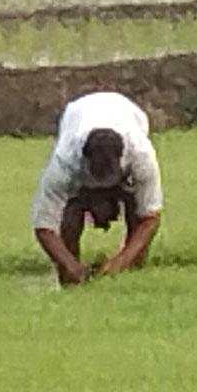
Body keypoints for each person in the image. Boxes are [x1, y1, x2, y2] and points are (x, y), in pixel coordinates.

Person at [30, 91, 165, 287]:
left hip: (127, 112)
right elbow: (44, 227)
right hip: (76, 115)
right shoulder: (64, 162)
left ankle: (134, 269)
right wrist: (71, 265)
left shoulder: (141, 156)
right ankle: (70, 276)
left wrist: (121, 261)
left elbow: (150, 218)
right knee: (71, 210)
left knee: (136, 208)